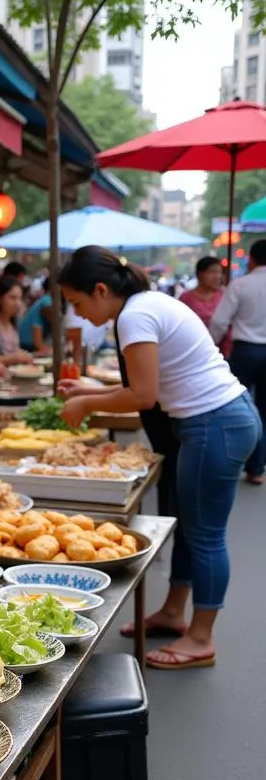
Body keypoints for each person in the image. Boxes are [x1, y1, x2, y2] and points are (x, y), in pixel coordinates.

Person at [56, 246, 260, 671]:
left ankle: (201, 637)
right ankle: (173, 612)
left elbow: (142, 395)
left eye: (77, 304)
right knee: (188, 527)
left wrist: (87, 405)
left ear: (100, 289)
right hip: (217, 421)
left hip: (214, 425)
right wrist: (90, 394)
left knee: (204, 535)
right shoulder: (147, 305)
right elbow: (151, 381)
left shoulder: (134, 315)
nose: (77, 314)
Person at [210, 239, 266, 484]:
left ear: (251, 259)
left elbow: (221, 321)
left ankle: (233, 459)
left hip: (245, 351)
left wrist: (211, 345)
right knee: (265, 408)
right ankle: (257, 468)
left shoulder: (240, 285)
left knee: (237, 406)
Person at [180, 256, 229, 356]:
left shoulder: (226, 295)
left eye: (219, 272)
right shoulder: (186, 298)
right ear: (199, 274)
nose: (217, 276)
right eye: (212, 272)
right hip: (194, 350)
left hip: (223, 351)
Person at [18, 278, 53, 351]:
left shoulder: (45, 299)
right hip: (28, 345)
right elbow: (38, 344)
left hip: (28, 344)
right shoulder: (47, 301)